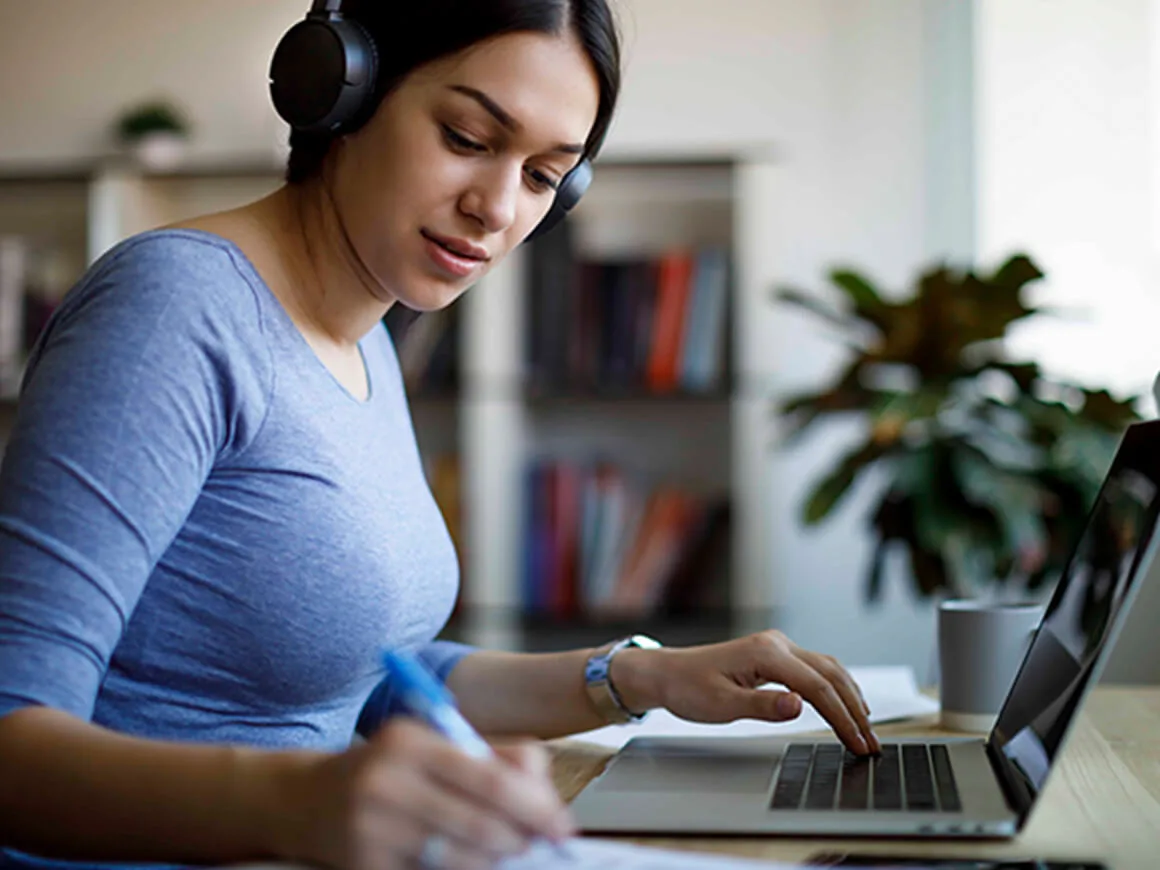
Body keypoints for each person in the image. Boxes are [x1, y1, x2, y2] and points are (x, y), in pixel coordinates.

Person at [0, 2, 880, 869]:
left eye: (543, 177)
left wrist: (636, 677)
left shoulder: (371, 339)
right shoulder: (175, 313)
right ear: (339, 93)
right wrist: (299, 800)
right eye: (466, 137)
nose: (497, 208)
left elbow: (371, 671)